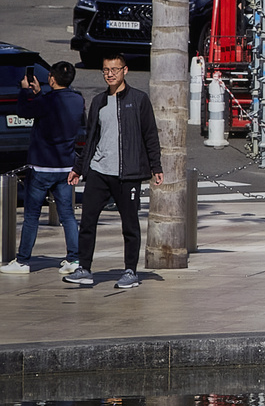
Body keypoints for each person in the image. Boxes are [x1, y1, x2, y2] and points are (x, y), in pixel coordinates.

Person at [63, 55, 162, 289]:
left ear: (125, 70)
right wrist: (79, 168)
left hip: (127, 174)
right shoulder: (98, 101)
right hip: (98, 170)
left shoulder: (139, 99)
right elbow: (91, 139)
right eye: (106, 70)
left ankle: (130, 271)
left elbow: (150, 135)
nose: (110, 74)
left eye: (115, 69)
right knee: (87, 221)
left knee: (130, 225)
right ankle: (84, 268)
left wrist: (156, 167)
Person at [0, 62, 84, 276]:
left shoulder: (47, 101)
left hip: (41, 167)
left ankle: (23, 260)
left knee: (31, 216)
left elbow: (23, 111)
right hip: (65, 166)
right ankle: (74, 258)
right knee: (68, 216)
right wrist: (39, 94)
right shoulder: (77, 100)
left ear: (52, 79)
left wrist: (25, 90)